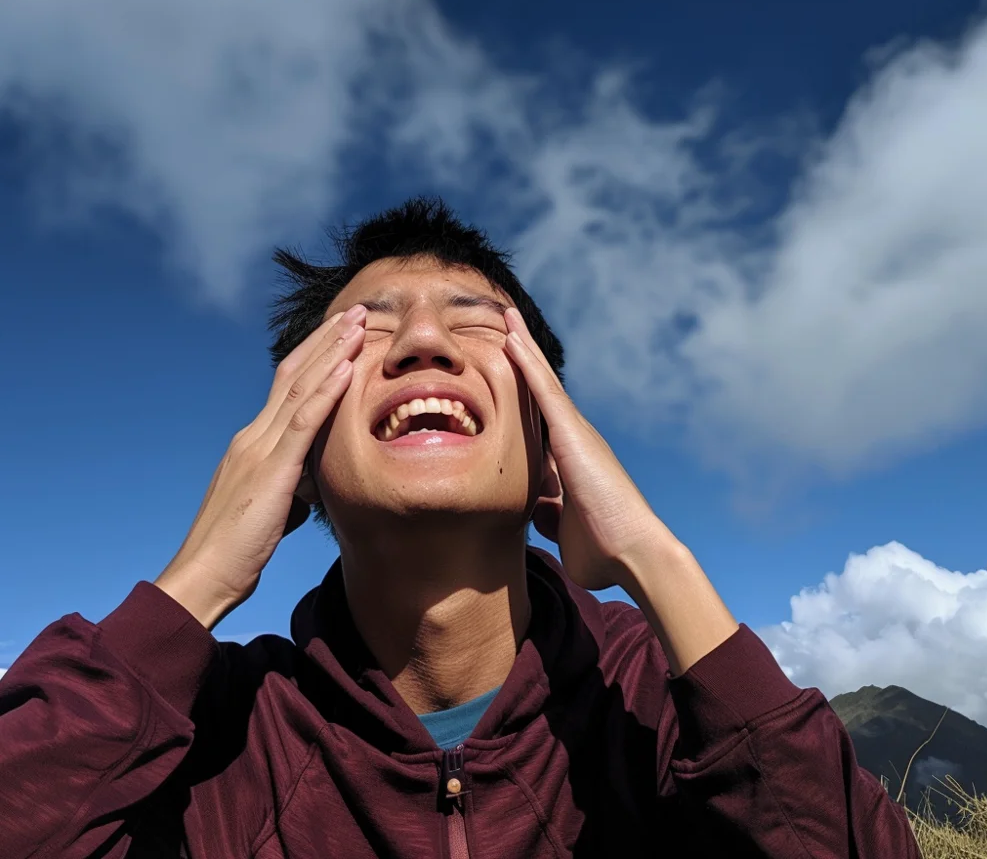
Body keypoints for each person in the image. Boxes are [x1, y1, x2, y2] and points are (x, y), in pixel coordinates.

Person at [0, 198, 919, 858]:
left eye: (477, 324)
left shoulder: (652, 704)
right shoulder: (219, 739)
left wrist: (655, 557)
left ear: (552, 437)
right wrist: (196, 580)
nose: (423, 342)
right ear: (297, 446)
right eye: (361, 334)